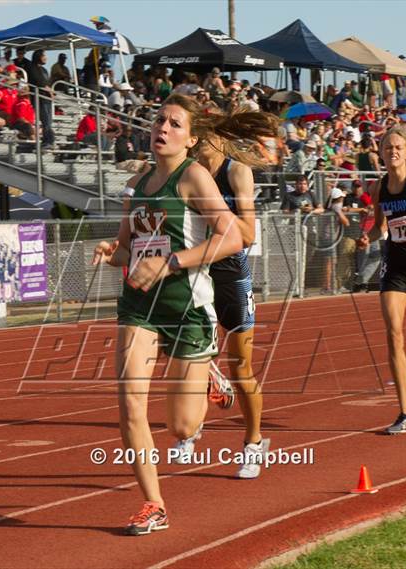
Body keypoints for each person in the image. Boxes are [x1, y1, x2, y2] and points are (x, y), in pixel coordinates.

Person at [92, 93, 244, 535]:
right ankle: (153, 504)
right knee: (130, 403)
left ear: (190, 138)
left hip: (187, 308)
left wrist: (172, 262)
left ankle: (210, 372)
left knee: (181, 426)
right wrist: (112, 251)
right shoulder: (137, 186)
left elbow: (232, 238)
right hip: (139, 306)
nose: (163, 128)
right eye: (160, 120)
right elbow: (128, 248)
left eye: (175, 123)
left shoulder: (193, 177)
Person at [178, 108, 280, 478]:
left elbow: (249, 235)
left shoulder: (237, 171)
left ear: (218, 137)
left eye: (204, 138)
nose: (199, 147)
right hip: (196, 271)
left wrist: (216, 208)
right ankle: (190, 427)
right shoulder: (188, 171)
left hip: (231, 272)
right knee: (177, 349)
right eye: (195, 139)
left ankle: (253, 442)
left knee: (242, 366)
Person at [357, 126, 406, 434]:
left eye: (397, 147)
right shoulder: (380, 188)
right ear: (381, 153)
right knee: (394, 334)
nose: (392, 151)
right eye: (387, 147)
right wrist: (368, 236)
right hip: (397, 268)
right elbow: (381, 227)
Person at [28, 49, 55, 147]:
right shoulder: (32, 68)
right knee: (45, 120)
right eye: (44, 55)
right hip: (39, 98)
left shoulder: (44, 70)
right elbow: (38, 81)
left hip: (46, 98)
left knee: (48, 120)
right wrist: (49, 90)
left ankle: (49, 139)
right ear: (38, 56)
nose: (46, 57)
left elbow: (48, 82)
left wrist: (51, 91)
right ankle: (48, 140)